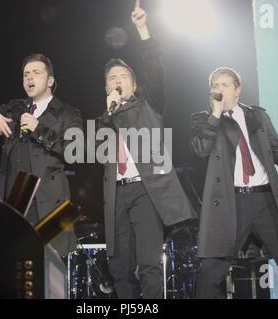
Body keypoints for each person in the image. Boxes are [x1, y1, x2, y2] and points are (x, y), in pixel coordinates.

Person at [190, 67, 278, 299]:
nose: (219, 90)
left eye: (225, 85)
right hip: (230, 204)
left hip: (265, 201)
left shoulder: (257, 116)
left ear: (237, 90)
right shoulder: (203, 120)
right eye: (215, 86)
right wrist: (215, 115)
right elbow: (201, 149)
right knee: (210, 273)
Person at [97, 2, 197, 299]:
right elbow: (96, 153)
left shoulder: (149, 104)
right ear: (105, 88)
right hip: (116, 194)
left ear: (135, 85)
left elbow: (154, 69)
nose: (116, 82)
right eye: (111, 79)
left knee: (148, 265)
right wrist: (107, 116)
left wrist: (142, 30)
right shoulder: (105, 116)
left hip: (145, 190)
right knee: (119, 267)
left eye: (122, 77)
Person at [0, 53, 82, 258]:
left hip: (49, 204)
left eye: (36, 73)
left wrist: (38, 129)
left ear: (50, 80)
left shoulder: (67, 112)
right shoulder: (14, 107)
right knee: (16, 271)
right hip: (13, 203)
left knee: (51, 272)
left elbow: (74, 151)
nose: (30, 78)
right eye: (26, 75)